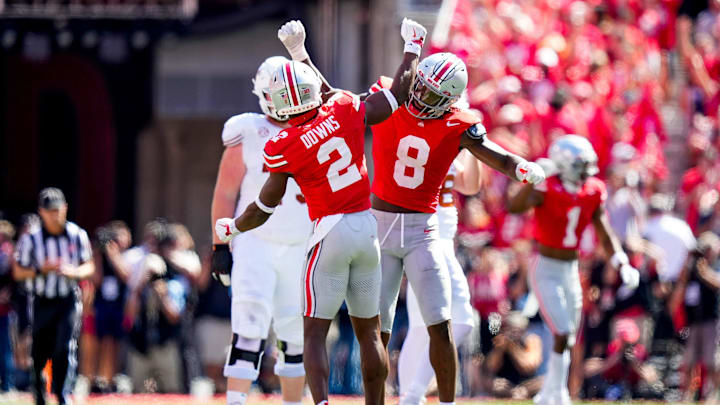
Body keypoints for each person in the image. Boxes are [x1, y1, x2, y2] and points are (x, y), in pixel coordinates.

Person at [215, 17, 425, 405]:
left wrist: (233, 228)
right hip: (367, 228)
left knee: (311, 334)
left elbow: (264, 205)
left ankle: (323, 403)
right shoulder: (343, 110)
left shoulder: (283, 144)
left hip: (328, 232)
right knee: (369, 331)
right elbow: (396, 94)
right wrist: (412, 47)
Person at [367, 53, 545, 405]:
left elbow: (473, 179)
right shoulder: (411, 110)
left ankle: (413, 394)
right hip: (416, 229)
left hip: (431, 232)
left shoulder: (455, 126)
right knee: (417, 321)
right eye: (420, 89)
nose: (421, 99)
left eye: (434, 97)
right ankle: (410, 395)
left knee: (444, 320)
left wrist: (478, 146)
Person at [209, 54, 312, 405]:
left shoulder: (316, 125)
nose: (291, 101)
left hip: (300, 243)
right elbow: (225, 192)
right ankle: (237, 401)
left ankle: (292, 403)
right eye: (283, 93)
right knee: (249, 326)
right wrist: (219, 245)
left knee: (295, 334)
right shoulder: (249, 129)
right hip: (255, 241)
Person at [507, 135, 640, 405]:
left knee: (568, 336)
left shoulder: (592, 189)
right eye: (580, 165)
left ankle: (552, 393)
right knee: (563, 329)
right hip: (545, 267)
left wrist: (621, 261)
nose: (585, 171)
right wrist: (534, 177)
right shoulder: (547, 186)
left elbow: (604, 232)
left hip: (571, 268)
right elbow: (515, 205)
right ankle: (558, 393)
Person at [397, 152, 482, 405]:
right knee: (463, 320)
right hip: (431, 237)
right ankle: (413, 394)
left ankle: (409, 394)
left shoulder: (445, 130)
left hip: (432, 238)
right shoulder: (431, 132)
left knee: (421, 327)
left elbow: (469, 185)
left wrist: (473, 147)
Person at [13, 187, 95, 405]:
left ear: (65, 209)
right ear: (41, 212)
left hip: (67, 298)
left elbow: (89, 265)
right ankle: (39, 391)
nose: (55, 215)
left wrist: (74, 271)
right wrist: (42, 270)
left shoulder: (77, 235)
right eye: (50, 211)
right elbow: (18, 272)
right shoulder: (31, 239)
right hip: (42, 300)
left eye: (58, 210)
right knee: (40, 350)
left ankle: (61, 393)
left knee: (64, 346)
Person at [673, 231, 720, 401]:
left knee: (711, 361)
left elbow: (717, 283)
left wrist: (704, 271)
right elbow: (679, 293)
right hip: (693, 322)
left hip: (711, 321)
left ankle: (714, 396)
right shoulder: (692, 269)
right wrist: (687, 268)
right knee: (689, 361)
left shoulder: (714, 265)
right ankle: (686, 395)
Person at [92, 221, 133, 392]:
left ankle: (113, 379)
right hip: (103, 304)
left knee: (116, 343)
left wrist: (114, 255)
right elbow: (96, 280)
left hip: (120, 306)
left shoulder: (129, 256)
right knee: (101, 342)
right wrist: (98, 257)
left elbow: (126, 276)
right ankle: (98, 379)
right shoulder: (101, 255)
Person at [0, 220, 16, 392]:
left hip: (5, 308)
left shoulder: (10, 253)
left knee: (5, 346)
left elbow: (13, 279)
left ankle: (7, 383)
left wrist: (7, 293)